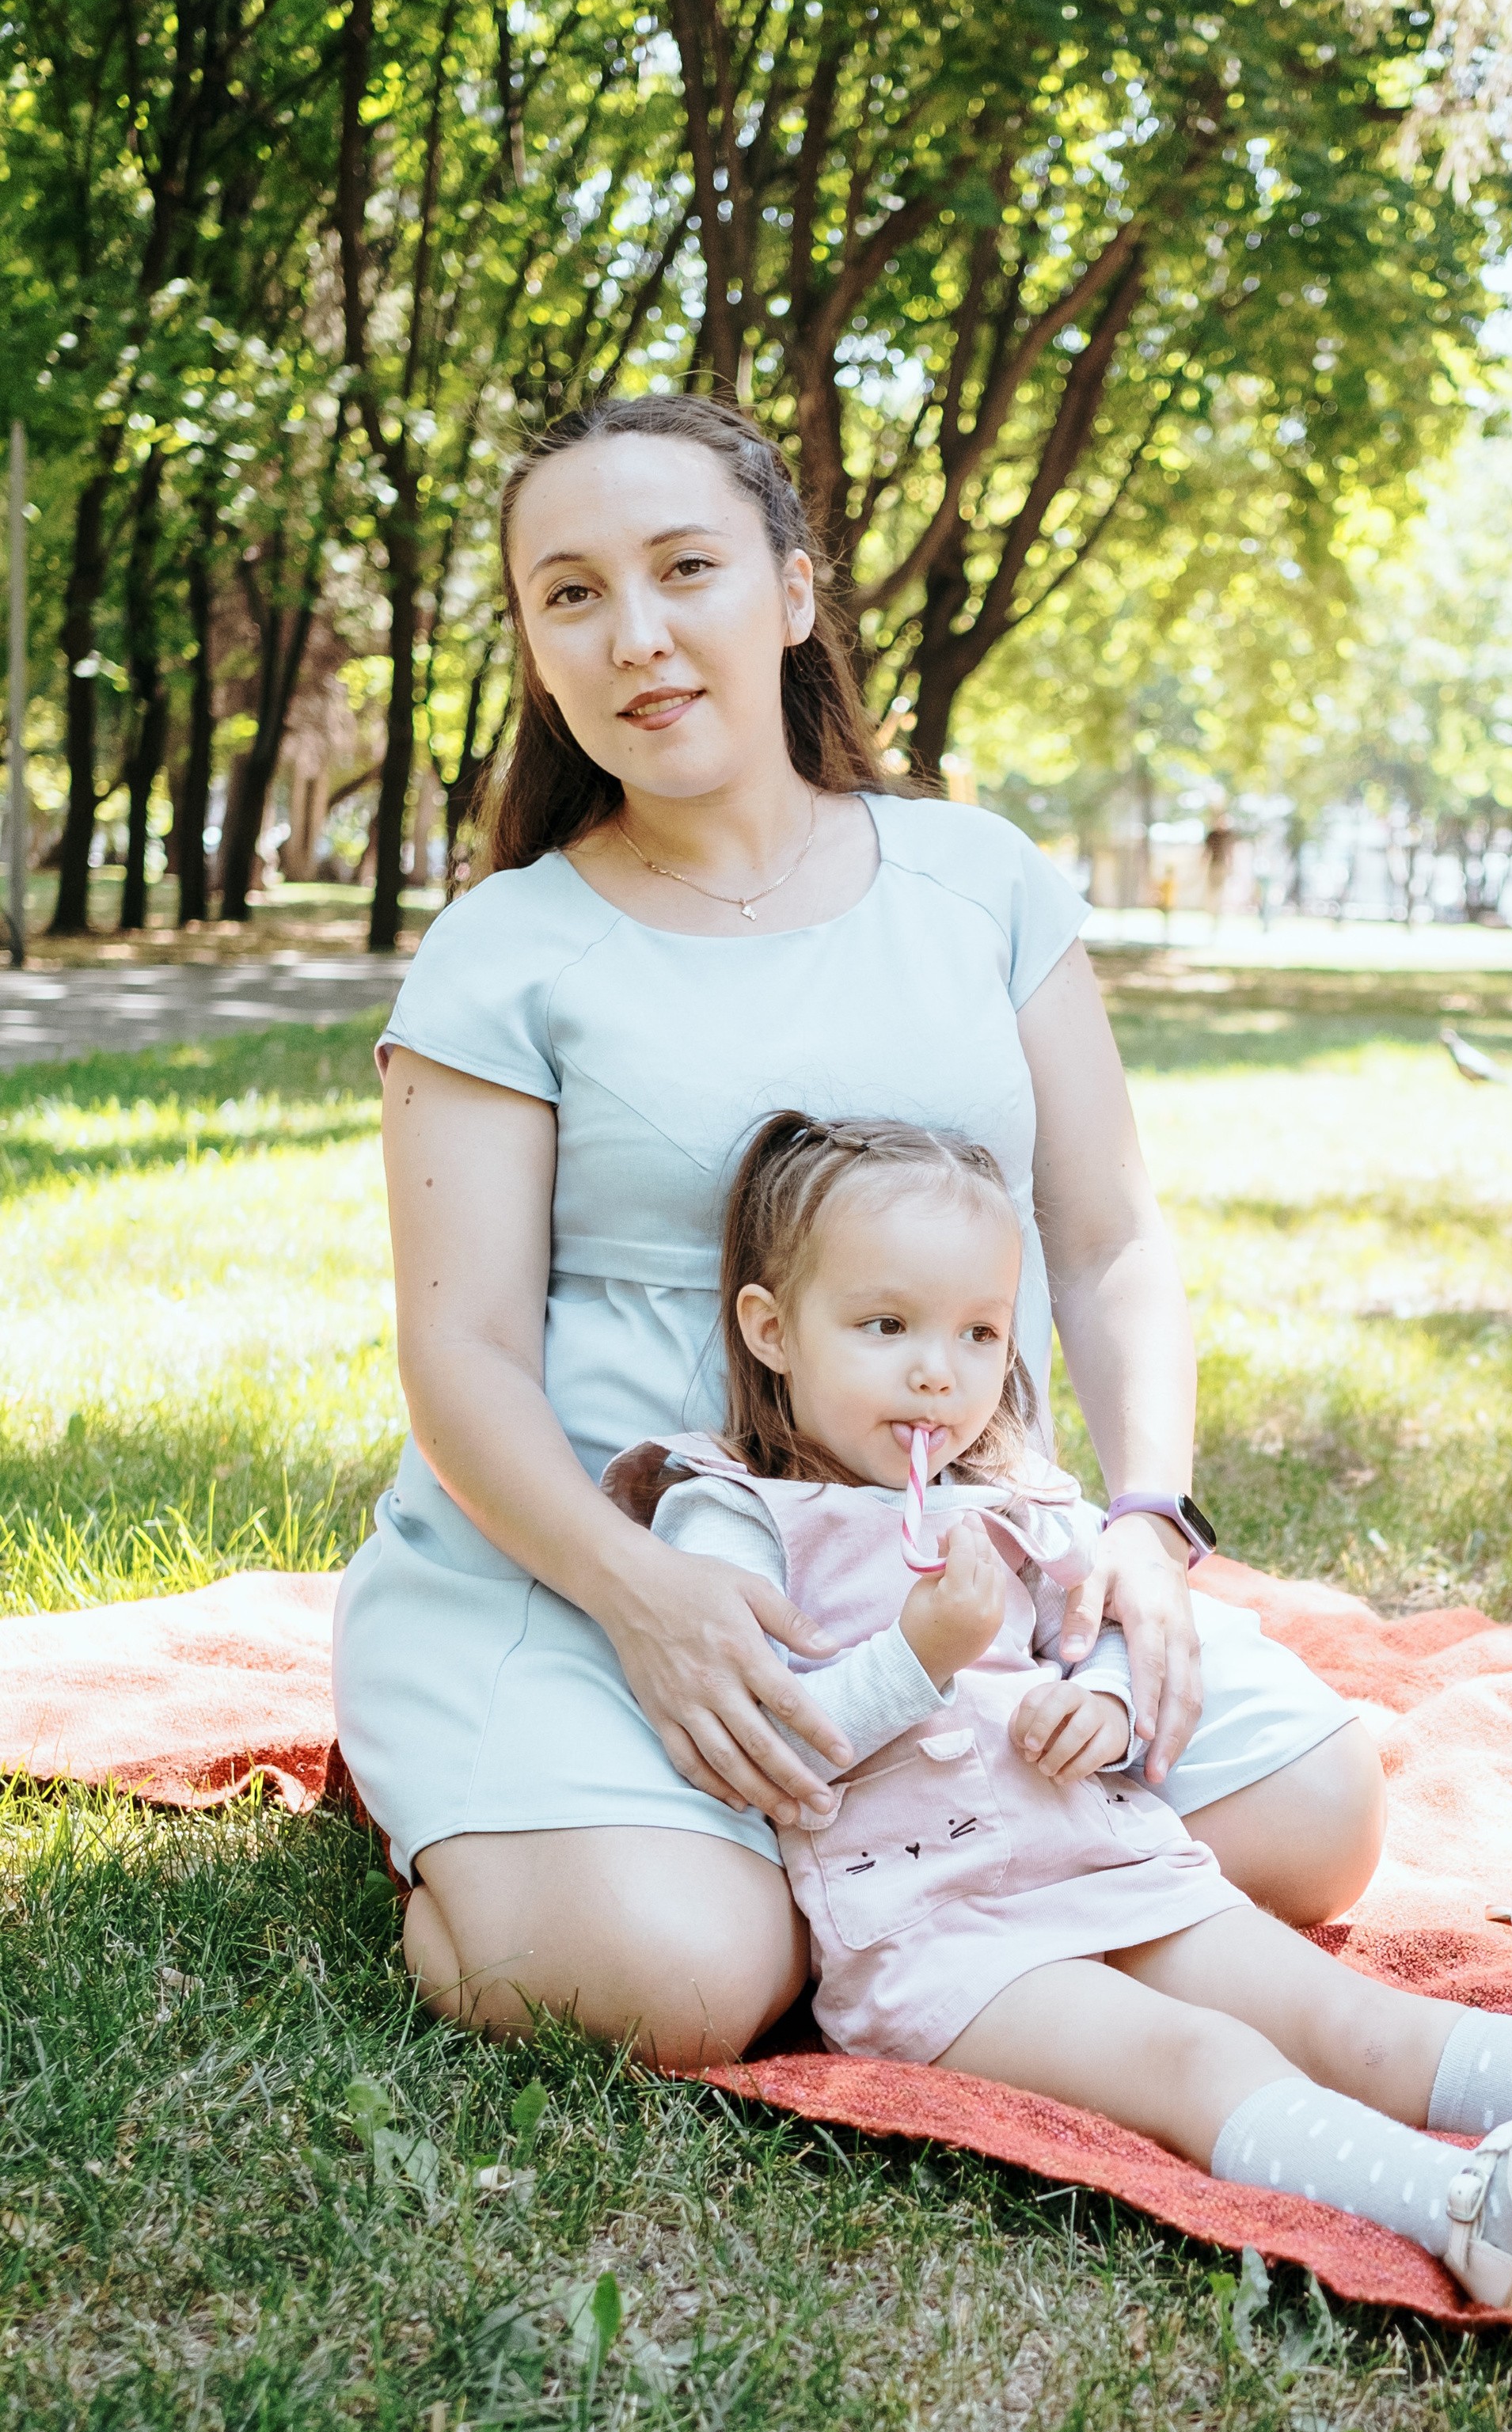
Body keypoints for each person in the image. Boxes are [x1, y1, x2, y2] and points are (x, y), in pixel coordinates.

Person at [332, 392, 1381, 2072]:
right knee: (679, 1984)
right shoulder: (501, 950)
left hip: (955, 1563)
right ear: (533, 642)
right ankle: (518, 1819)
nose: (639, 636)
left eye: (687, 569)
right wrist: (643, 1601)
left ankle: (862, 1879)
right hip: (619, 1572)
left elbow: (1107, 1241)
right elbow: (456, 1354)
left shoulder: (975, 883)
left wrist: (1137, 1528)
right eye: (572, 594)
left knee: (1312, 1816)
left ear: (795, 594)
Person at [602, 1109, 1512, 2318]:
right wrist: (921, 1657)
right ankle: (1462, 2211)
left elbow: (1108, 1646)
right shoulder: (730, 1513)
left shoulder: (1015, 1503)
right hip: (941, 1934)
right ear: (771, 1330)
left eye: (977, 1334)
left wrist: (1103, 1711)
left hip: (1102, 1851)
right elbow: (764, 1746)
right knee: (1203, 2059)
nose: (939, 1371)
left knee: (1351, 2018)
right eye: (885, 1327)